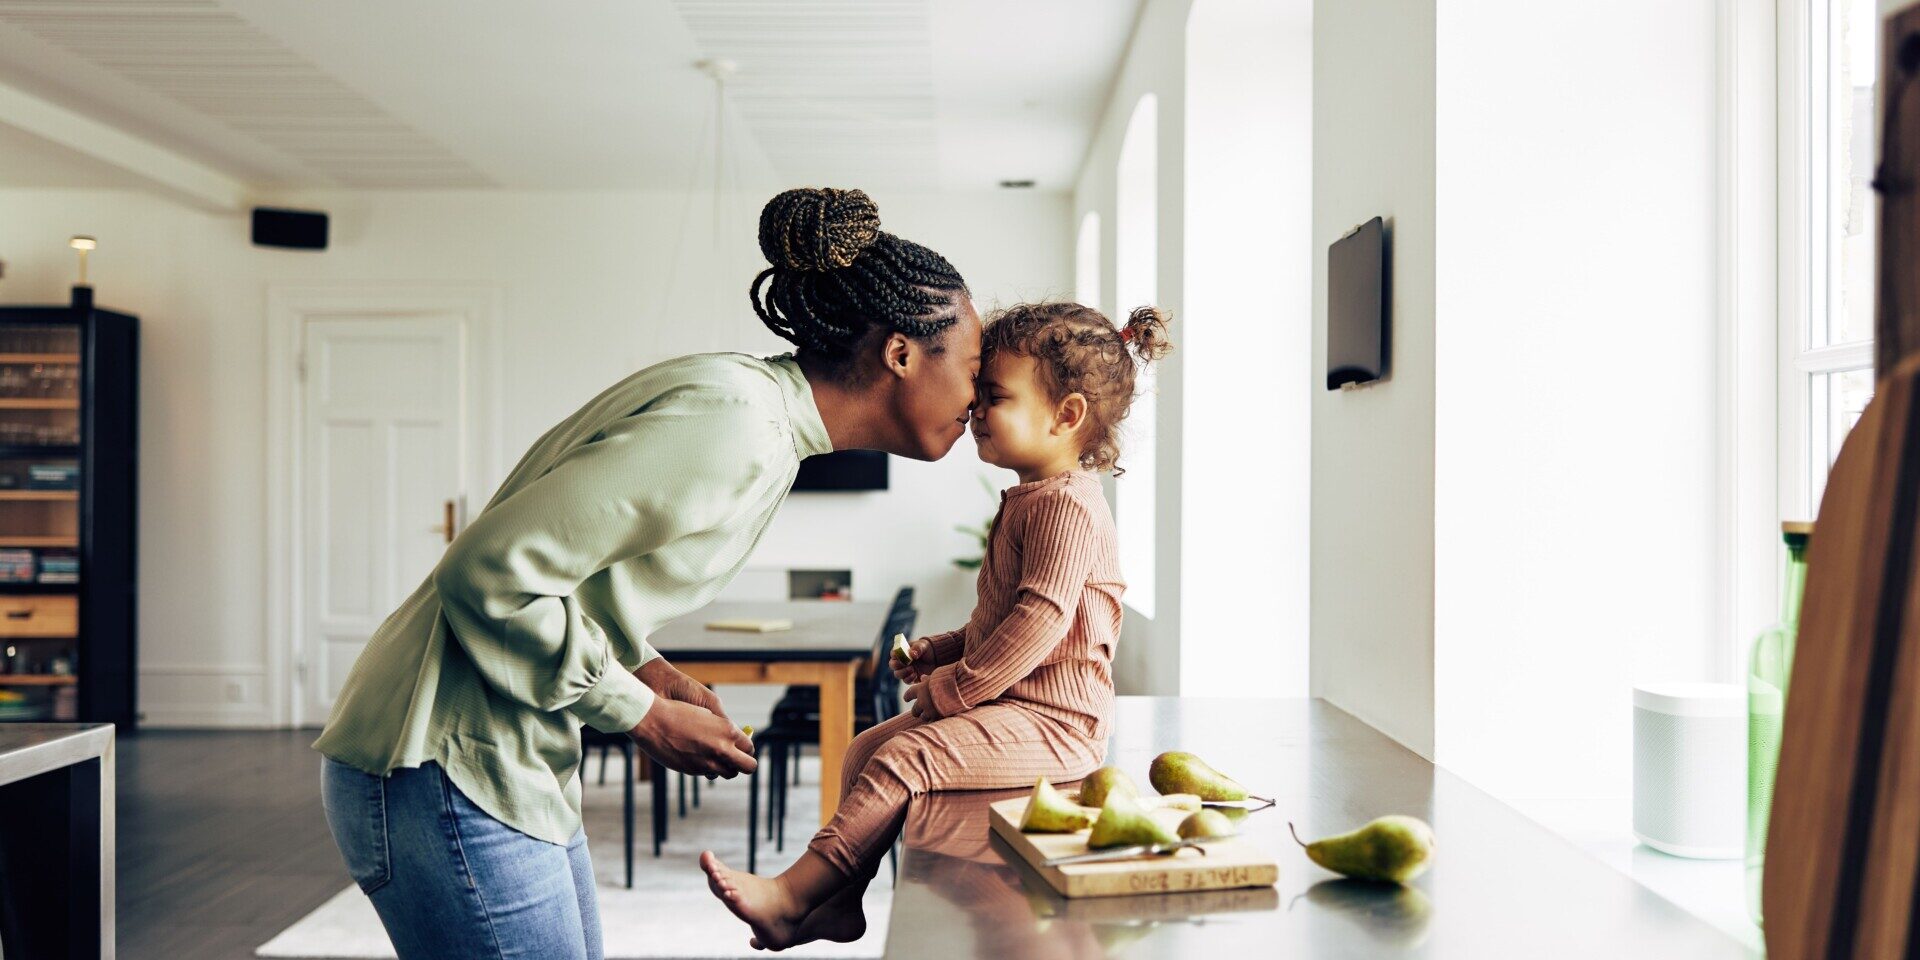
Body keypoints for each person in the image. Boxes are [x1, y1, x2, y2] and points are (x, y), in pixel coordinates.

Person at [313, 187, 982, 960]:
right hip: (443, 761)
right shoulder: (737, 425)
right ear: (900, 354)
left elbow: (571, 576)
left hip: (500, 759)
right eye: (970, 368)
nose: (976, 398)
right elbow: (489, 570)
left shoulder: (759, 418)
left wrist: (648, 670)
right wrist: (639, 714)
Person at [700, 300, 1175, 951]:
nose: (975, 409)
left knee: (903, 759)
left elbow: (1041, 621)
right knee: (864, 749)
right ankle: (840, 903)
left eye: (996, 397)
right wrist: (944, 648)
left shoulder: (1066, 507)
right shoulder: (1034, 499)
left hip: (1058, 724)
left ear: (1066, 416)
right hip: (1014, 705)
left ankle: (792, 895)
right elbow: (1007, 618)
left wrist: (959, 685)